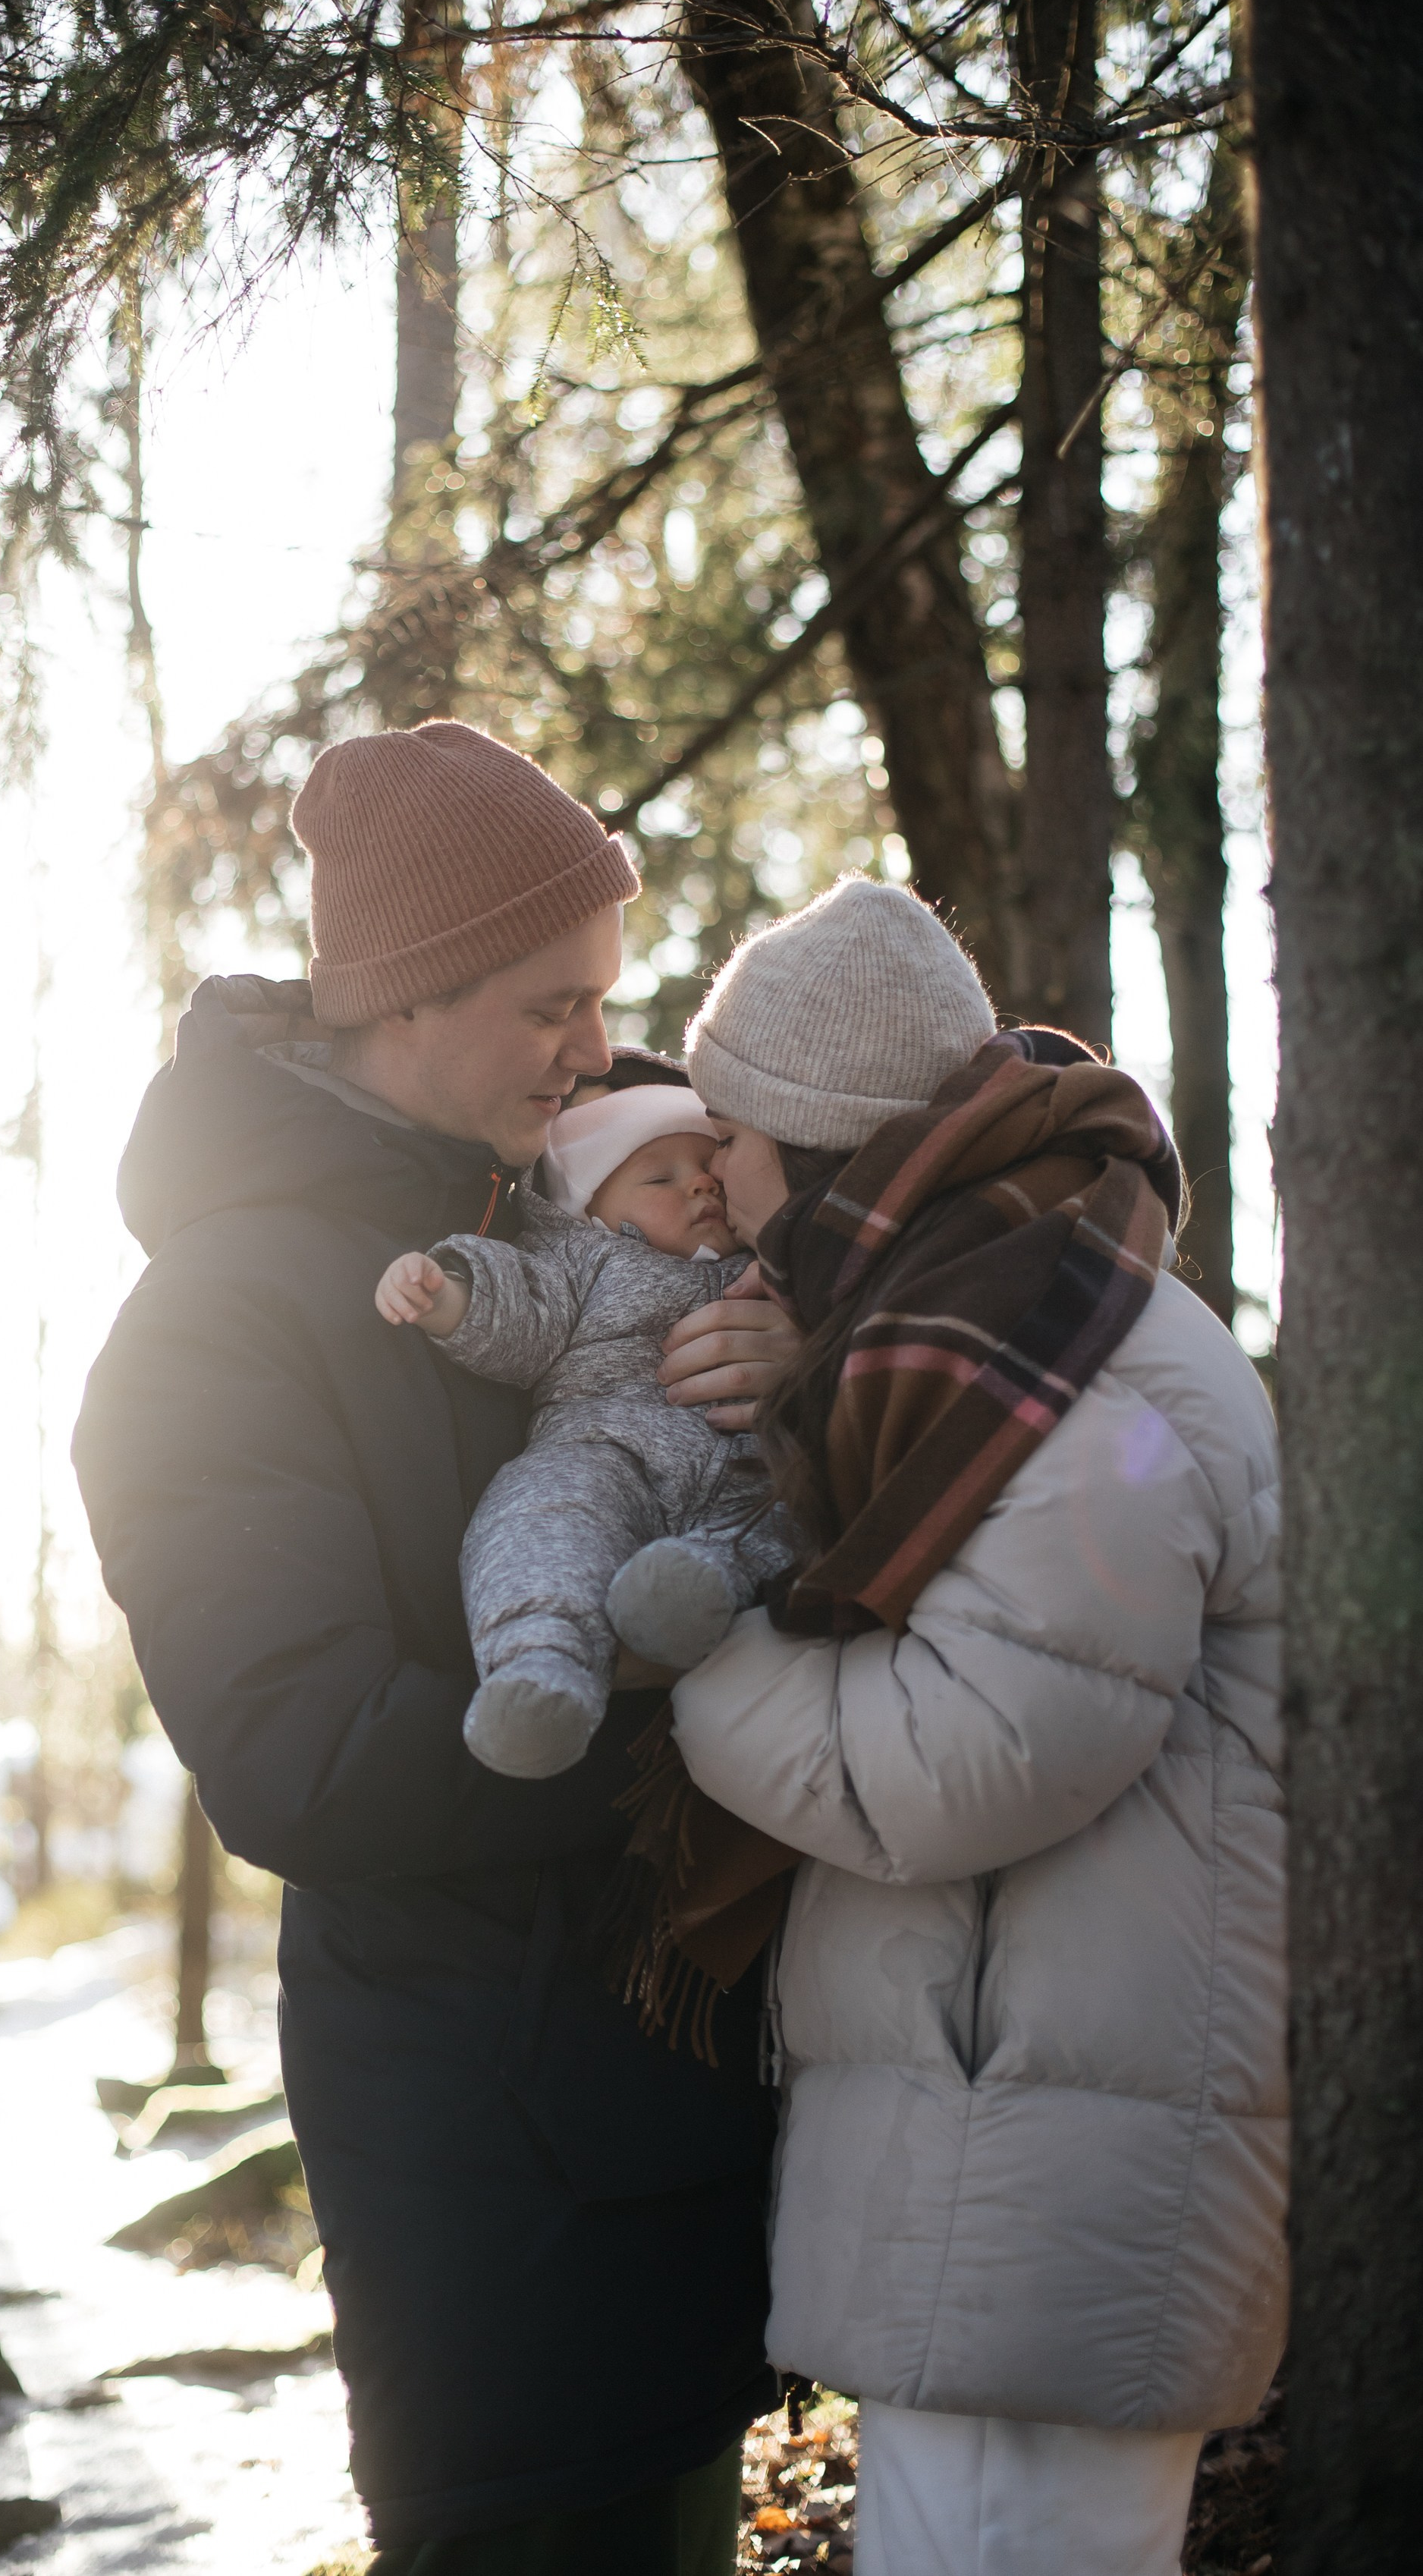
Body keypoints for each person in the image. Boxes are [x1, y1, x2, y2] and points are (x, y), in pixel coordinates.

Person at [72, 720, 803, 2573]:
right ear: (401, 997)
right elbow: (304, 1759)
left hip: (682, 2120)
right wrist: (719, 1731)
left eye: (602, 1000)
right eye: (552, 1006)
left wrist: (779, 1383)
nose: (595, 1050)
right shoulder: (212, 1328)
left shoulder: (584, 1219)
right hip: (490, 2167)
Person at [648, 876, 1286, 2576]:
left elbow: (957, 1760)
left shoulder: (1081, 1364)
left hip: (1044, 2160)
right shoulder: (982, 1322)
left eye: (728, 1134)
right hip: (1006, 2130)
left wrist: (684, 1646)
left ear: (818, 1144)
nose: (706, 1177)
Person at [374, 1066, 793, 1779]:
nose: (699, 1185)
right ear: (589, 1211)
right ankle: (538, 1666)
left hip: (748, 1462)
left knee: (786, 1515)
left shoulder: (775, 1265)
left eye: (708, 1166)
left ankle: (693, 1591)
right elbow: (523, 1316)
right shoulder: (583, 1258)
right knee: (540, 1515)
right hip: (604, 1447)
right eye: (659, 1178)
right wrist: (446, 1296)